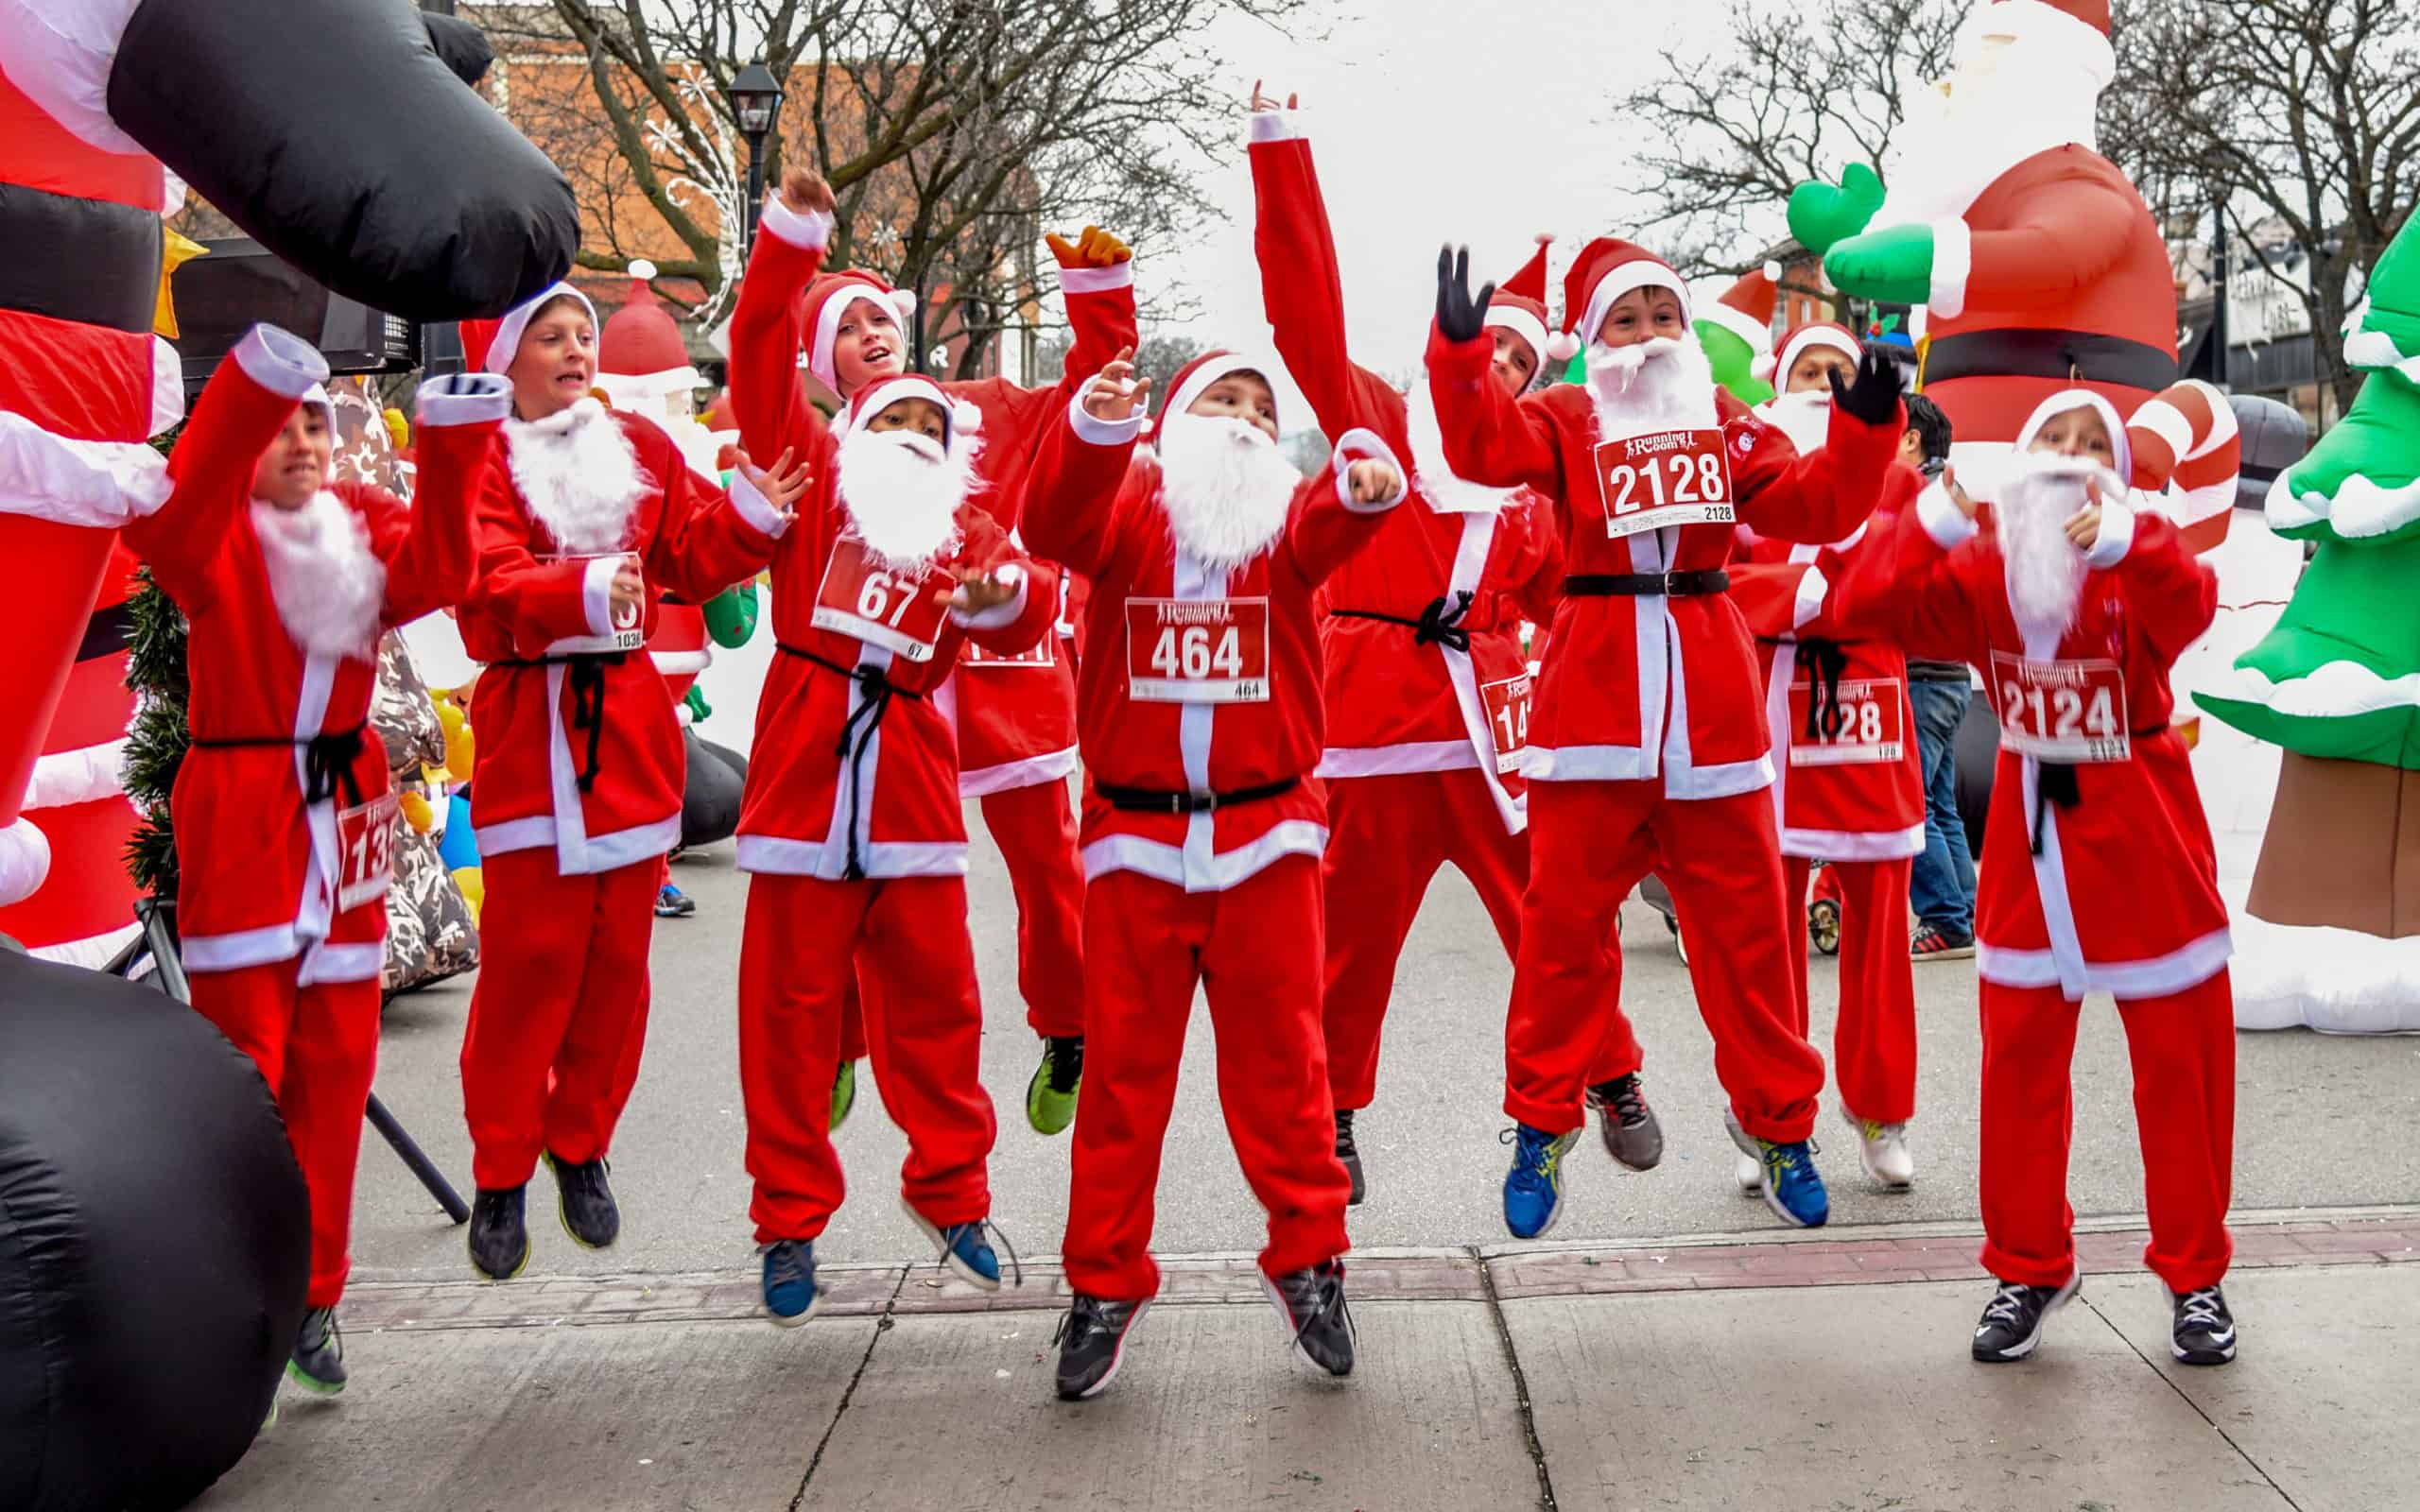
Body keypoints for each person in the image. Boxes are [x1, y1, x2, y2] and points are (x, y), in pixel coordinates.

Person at [1427, 238, 1906, 1238]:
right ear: (1592, 338)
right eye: (1625, 318)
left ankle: (1780, 1126)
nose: (1648, 338)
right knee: (1561, 935)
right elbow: (1478, 448)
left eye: (1662, 316)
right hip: (1593, 707)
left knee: (1748, 944)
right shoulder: (1565, 416)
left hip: (1711, 711)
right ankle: (1540, 1124)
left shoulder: (1723, 422)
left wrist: (1865, 425)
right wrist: (1460, 355)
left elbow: (1816, 504)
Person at [1243, 92, 1634, 1204]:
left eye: (1520, 361)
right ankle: (1335, 1110)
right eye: (1489, 352)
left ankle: (1609, 1076)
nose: (1502, 372)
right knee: (1348, 947)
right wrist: (1281, 158)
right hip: (1372, 727)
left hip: (1493, 734)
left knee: (1552, 915)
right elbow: (1301, 316)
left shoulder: (1532, 482)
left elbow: (1583, 605)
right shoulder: (1373, 413)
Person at [726, 178, 1086, 1322]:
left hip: (914, 781)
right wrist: (792, 239)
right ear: (845, 414)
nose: (911, 434)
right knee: (785, 1009)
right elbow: (750, 338)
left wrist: (998, 597)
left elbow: (1022, 605)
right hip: (801, 762)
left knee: (940, 1002)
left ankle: (951, 1187)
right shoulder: (809, 467)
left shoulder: (957, 520)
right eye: (890, 417)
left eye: (930, 423)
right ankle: (787, 1221)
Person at [125, 322, 510, 1390]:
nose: (302, 439)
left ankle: (316, 1292)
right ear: (239, 432)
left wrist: (456, 433)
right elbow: (171, 512)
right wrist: (254, 383)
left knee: (338, 1063)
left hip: (348, 810)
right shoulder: (212, 534)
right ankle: (234, 1283)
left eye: (313, 420)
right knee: (247, 1061)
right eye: (278, 423)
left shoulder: (359, 524)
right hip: (245, 810)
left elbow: (439, 565)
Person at [1025, 349, 1409, 1400]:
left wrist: (1360, 484)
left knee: (1287, 1073)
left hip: (1267, 842)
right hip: (1136, 848)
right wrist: (1093, 429)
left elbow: (1333, 521)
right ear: (1174, 424)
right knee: (1120, 1083)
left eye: (1258, 406)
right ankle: (1103, 1281)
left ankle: (1308, 1258)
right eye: (1220, 402)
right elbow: (1053, 524)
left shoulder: (1283, 528)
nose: (1241, 420)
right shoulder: (1126, 519)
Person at [1831, 389, 2238, 1367]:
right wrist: (1924, 505)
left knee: (2180, 1066)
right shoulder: (1986, 564)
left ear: (2118, 473)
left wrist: (2127, 541)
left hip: (2143, 831)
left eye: (2090, 442)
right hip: (2027, 838)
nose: (2067, 455)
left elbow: (2188, 603)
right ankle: (2028, 1263)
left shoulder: (2136, 564)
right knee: (2016, 1061)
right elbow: (1862, 604)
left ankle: (2196, 1277)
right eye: (2049, 439)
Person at [452, 284, 811, 1281]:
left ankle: (581, 1140)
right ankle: (498, 1168)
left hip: (629, 735)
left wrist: (749, 515)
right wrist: (573, 588)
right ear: (506, 358)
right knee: (530, 963)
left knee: (617, 966)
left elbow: (691, 558)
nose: (574, 351)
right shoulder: (480, 456)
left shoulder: (640, 450)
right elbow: (478, 573)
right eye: (551, 337)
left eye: (583, 336)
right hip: (531, 733)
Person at [1729, 321, 1928, 1194]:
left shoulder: (1899, 480)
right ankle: (1768, 1110)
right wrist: (1790, 592)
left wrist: (1836, 601)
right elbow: (1707, 583)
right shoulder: (1746, 480)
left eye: (1838, 371)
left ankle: (1881, 1109)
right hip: (1768, 713)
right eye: (1808, 369)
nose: (1823, 384)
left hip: (1867, 718)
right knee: (1765, 932)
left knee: (1880, 927)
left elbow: (1918, 580)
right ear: (1779, 381)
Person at [1896, 392, 1979, 959]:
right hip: (1950, 674)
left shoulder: (1918, 500)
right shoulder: (1952, 495)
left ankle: (1946, 917)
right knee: (1940, 802)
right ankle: (1964, 913)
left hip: (1922, 673)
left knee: (1912, 800)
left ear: (1910, 440)